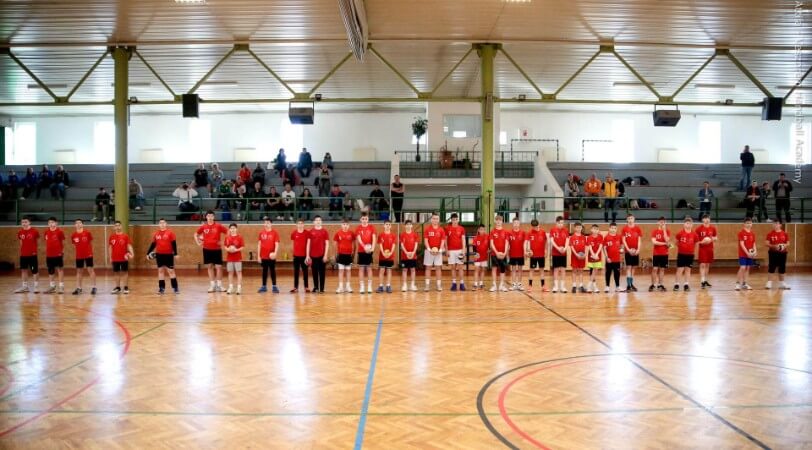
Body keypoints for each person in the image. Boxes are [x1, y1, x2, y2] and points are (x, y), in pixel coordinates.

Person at [194, 210, 228, 293]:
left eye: (211, 216)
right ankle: (212, 285)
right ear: (206, 217)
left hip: (217, 249)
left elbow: (228, 232)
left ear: (214, 217)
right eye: (208, 216)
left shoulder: (218, 226)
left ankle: (219, 285)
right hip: (206, 249)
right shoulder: (203, 227)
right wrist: (198, 242)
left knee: (219, 267)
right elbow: (196, 234)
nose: (210, 217)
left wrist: (224, 242)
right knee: (209, 267)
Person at [146, 218, 180, 295]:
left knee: (171, 271)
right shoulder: (156, 234)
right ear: (159, 224)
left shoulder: (170, 233)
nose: (162, 224)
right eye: (160, 223)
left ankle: (175, 288)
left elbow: (174, 243)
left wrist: (175, 254)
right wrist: (148, 253)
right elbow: (153, 244)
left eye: (163, 223)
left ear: (166, 224)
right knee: (160, 271)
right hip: (159, 255)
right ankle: (161, 288)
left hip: (168, 255)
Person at [14, 216, 40, 294]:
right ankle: (25, 287)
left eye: (26, 222)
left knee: (34, 270)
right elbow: (21, 243)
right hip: (23, 255)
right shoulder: (20, 232)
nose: (24, 223)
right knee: (23, 270)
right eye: (22, 222)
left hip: (32, 255)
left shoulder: (34, 231)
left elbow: (37, 242)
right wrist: (22, 251)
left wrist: (34, 251)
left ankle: (36, 287)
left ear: (29, 222)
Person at [71, 219, 97, 295]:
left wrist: (90, 252)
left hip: (88, 255)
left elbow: (91, 242)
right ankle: (79, 288)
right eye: (76, 223)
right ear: (75, 225)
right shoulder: (73, 235)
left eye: (80, 223)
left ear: (82, 224)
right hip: (79, 256)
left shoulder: (87, 233)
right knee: (79, 272)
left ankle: (94, 287)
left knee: (90, 270)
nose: (78, 224)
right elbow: (74, 245)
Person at [108, 221, 134, 295]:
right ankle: (117, 287)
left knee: (125, 272)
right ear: (114, 227)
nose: (117, 227)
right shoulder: (112, 237)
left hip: (124, 258)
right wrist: (110, 257)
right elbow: (110, 247)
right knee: (116, 272)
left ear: (121, 226)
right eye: (116, 225)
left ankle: (125, 287)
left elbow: (129, 245)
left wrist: (132, 253)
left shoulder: (125, 236)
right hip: (115, 258)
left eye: (119, 225)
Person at [423, 212, 446, 292]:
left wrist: (440, 250)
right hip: (429, 251)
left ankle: (439, 285)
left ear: (438, 220)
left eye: (436, 219)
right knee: (428, 268)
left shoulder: (441, 230)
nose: (435, 220)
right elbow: (426, 241)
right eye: (434, 218)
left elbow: (443, 241)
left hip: (438, 252)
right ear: (431, 219)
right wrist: (429, 249)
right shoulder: (427, 229)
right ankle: (427, 285)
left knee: (438, 268)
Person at [256, 216, 280, 294]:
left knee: (272, 270)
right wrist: (258, 256)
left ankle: (274, 286)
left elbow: (277, 244)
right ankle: (264, 286)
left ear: (271, 224)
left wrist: (275, 253)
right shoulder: (261, 233)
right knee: (264, 271)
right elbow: (259, 245)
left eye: (268, 223)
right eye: (265, 223)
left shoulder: (275, 233)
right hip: (263, 256)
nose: (266, 224)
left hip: (271, 256)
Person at [306, 215, 330, 294]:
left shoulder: (324, 231)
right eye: (316, 220)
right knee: (314, 272)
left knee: (322, 272)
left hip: (322, 255)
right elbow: (308, 244)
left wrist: (325, 255)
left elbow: (327, 244)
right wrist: (307, 255)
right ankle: (316, 287)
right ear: (314, 222)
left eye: (319, 220)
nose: (318, 221)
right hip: (313, 256)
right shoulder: (310, 231)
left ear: (321, 222)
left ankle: (322, 289)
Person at [674, 217, 698, 291]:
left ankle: (686, 284)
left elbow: (696, 244)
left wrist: (693, 251)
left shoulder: (694, 234)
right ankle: (677, 284)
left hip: (690, 255)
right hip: (681, 254)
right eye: (687, 223)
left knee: (688, 269)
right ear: (684, 224)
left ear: (692, 225)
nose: (688, 225)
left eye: (690, 223)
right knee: (680, 269)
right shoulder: (680, 233)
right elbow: (676, 242)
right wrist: (682, 247)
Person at [356, 212, 377, 294]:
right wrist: (364, 247)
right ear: (360, 220)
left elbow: (374, 238)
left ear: (368, 219)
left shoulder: (372, 227)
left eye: (366, 219)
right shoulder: (358, 228)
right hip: (361, 251)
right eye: (363, 219)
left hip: (369, 251)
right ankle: (362, 286)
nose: (364, 220)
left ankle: (369, 286)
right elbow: (359, 239)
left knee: (369, 268)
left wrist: (372, 248)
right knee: (361, 268)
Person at [765, 220, 790, 290]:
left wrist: (783, 246)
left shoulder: (785, 234)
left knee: (782, 268)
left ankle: (782, 283)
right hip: (773, 253)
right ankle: (769, 283)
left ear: (780, 225)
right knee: (771, 267)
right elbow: (766, 243)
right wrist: (774, 246)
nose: (775, 225)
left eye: (777, 224)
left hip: (783, 253)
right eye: (774, 224)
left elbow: (788, 243)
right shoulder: (770, 234)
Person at [43, 217, 65, 294]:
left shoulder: (60, 232)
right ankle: (52, 287)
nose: (51, 224)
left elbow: (62, 243)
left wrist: (61, 252)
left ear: (56, 223)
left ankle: (61, 287)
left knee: (60, 270)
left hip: (58, 254)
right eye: (49, 222)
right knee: (50, 270)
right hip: (49, 254)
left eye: (52, 222)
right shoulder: (46, 232)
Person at [621, 214, 643, 292]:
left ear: (634, 219)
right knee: (628, 267)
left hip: (636, 251)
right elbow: (623, 240)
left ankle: (631, 284)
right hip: (628, 251)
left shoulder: (638, 228)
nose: (630, 220)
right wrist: (628, 249)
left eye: (631, 218)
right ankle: (628, 285)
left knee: (633, 268)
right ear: (627, 220)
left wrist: (638, 250)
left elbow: (639, 240)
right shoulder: (624, 229)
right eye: (629, 218)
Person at [446, 213, 467, 291]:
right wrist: (446, 250)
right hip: (451, 251)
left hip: (459, 250)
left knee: (460, 267)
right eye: (453, 220)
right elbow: (445, 240)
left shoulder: (461, 228)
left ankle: (462, 284)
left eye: (456, 219)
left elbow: (463, 239)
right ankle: (454, 283)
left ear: (458, 220)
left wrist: (463, 250)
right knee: (453, 267)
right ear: (451, 220)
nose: (455, 221)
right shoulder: (447, 228)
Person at [696, 215, 718, 289]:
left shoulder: (713, 228)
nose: (707, 220)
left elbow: (715, 237)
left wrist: (711, 239)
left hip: (710, 249)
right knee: (702, 264)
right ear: (702, 220)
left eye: (708, 218)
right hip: (702, 249)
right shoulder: (698, 229)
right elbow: (696, 241)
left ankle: (705, 280)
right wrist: (702, 242)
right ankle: (702, 281)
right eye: (705, 219)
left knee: (707, 265)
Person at [649, 216, 670, 292]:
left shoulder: (667, 231)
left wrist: (664, 230)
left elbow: (667, 240)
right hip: (656, 253)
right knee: (655, 269)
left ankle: (660, 285)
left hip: (664, 253)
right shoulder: (654, 231)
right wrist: (664, 243)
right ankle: (653, 284)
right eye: (661, 222)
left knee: (662, 269)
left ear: (665, 223)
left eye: (663, 222)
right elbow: (654, 242)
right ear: (658, 222)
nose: (662, 223)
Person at [334, 218, 355, 293]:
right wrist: (336, 254)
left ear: (349, 225)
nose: (345, 226)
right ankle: (340, 287)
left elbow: (353, 244)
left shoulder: (351, 233)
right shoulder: (338, 233)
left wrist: (353, 253)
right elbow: (335, 244)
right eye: (344, 224)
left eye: (346, 224)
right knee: (341, 271)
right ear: (341, 225)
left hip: (348, 255)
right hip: (341, 255)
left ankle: (348, 287)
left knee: (348, 271)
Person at [489, 215, 510, 292]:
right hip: (494, 254)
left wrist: (504, 253)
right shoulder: (492, 232)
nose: (498, 222)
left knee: (502, 269)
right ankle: (494, 285)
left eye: (500, 220)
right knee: (494, 269)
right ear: (495, 221)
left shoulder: (505, 232)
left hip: (503, 254)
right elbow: (491, 243)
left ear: (502, 221)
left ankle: (501, 285)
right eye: (497, 220)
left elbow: (507, 243)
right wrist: (496, 252)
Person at [526, 219, 547, 293]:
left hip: (541, 255)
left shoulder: (543, 232)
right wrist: (528, 250)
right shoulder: (529, 233)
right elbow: (527, 243)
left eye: (536, 226)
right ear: (532, 226)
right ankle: (530, 286)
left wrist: (546, 250)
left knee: (542, 270)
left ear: (538, 225)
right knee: (531, 270)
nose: (535, 228)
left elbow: (546, 241)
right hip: (533, 256)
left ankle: (543, 286)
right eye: (534, 227)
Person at [549, 216, 569, 293]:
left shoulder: (566, 230)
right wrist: (558, 248)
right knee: (556, 269)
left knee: (563, 269)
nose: (561, 224)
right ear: (556, 223)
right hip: (555, 253)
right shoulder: (552, 230)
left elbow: (567, 240)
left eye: (562, 223)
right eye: (560, 223)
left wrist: (565, 248)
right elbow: (552, 241)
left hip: (563, 253)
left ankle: (562, 286)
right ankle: (556, 286)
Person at [223, 223, 245, 295]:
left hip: (238, 258)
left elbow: (242, 247)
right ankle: (231, 287)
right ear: (229, 229)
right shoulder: (227, 237)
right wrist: (228, 249)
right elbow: (225, 246)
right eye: (231, 228)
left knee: (239, 272)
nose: (232, 230)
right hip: (229, 258)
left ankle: (239, 287)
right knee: (230, 272)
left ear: (236, 229)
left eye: (234, 228)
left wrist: (236, 250)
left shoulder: (240, 237)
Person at [736, 218, 757, 291]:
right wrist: (747, 253)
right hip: (743, 254)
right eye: (747, 223)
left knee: (747, 268)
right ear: (744, 224)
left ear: (752, 224)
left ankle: (745, 283)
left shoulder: (752, 233)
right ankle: (737, 283)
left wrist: (755, 251)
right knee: (742, 267)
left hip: (750, 254)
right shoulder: (741, 233)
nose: (749, 224)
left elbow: (753, 243)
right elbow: (742, 244)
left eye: (750, 223)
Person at [376, 220, 397, 293]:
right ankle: (381, 286)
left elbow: (393, 245)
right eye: (386, 224)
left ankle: (388, 286)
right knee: (382, 270)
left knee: (389, 270)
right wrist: (383, 253)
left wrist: (390, 253)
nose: (388, 226)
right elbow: (380, 245)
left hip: (390, 256)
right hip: (382, 256)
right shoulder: (381, 235)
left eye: (389, 224)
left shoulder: (393, 235)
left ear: (391, 226)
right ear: (384, 225)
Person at [290, 219, 310, 293]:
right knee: (296, 272)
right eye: (299, 223)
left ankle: (306, 287)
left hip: (304, 256)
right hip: (296, 256)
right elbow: (293, 244)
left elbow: (308, 244)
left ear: (303, 225)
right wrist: (293, 253)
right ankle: (295, 287)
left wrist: (307, 256)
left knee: (305, 272)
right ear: (296, 225)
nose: (300, 225)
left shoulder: (307, 233)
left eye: (301, 223)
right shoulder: (294, 233)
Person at [399, 219, 419, 292]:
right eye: (407, 224)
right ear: (405, 226)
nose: (408, 226)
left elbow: (416, 244)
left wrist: (413, 252)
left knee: (413, 270)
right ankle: (404, 285)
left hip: (413, 256)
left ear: (412, 226)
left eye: (410, 224)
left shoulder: (415, 234)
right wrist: (406, 253)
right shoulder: (402, 235)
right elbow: (402, 245)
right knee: (404, 270)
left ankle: (412, 285)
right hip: (404, 256)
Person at [507, 217, 527, 291]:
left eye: (517, 223)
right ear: (512, 224)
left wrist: (525, 252)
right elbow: (507, 244)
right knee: (513, 269)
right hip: (512, 254)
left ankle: (519, 284)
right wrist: (507, 254)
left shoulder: (523, 233)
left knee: (520, 269)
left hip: (521, 254)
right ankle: (513, 284)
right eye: (514, 223)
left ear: (519, 224)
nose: (516, 224)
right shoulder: (509, 233)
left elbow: (525, 243)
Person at [603, 222, 623, 293]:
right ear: (609, 228)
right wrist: (607, 257)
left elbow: (622, 245)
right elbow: (604, 248)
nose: (613, 229)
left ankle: (617, 287)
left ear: (616, 229)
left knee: (617, 273)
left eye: (615, 228)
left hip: (617, 259)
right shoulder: (606, 237)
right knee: (608, 273)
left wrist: (622, 249)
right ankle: (607, 286)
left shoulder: (619, 236)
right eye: (612, 228)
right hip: (609, 259)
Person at [569, 222, 588, 293]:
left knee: (581, 271)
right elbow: (571, 247)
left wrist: (585, 254)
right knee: (574, 270)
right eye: (577, 227)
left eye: (580, 227)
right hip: (575, 256)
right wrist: (576, 254)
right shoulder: (572, 237)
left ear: (581, 228)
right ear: (575, 228)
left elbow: (586, 246)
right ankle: (574, 286)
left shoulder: (583, 237)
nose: (579, 229)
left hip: (582, 257)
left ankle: (581, 286)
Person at [586, 224, 604, 294]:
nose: (595, 230)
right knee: (592, 271)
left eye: (597, 229)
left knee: (595, 270)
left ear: (598, 230)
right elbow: (589, 247)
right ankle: (593, 286)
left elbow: (600, 246)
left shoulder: (600, 236)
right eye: (594, 229)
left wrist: (596, 254)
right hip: (591, 256)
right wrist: (593, 254)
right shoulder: (589, 237)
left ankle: (590, 285)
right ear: (591, 230)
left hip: (598, 256)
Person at [471, 224, 489, 291]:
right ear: (478, 230)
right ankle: (475, 284)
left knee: (483, 270)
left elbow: (490, 245)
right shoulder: (475, 238)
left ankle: (481, 284)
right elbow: (474, 247)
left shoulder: (487, 237)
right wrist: (476, 254)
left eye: (483, 229)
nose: (482, 231)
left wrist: (489, 250)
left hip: (484, 256)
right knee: (476, 269)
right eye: (481, 229)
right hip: (477, 257)